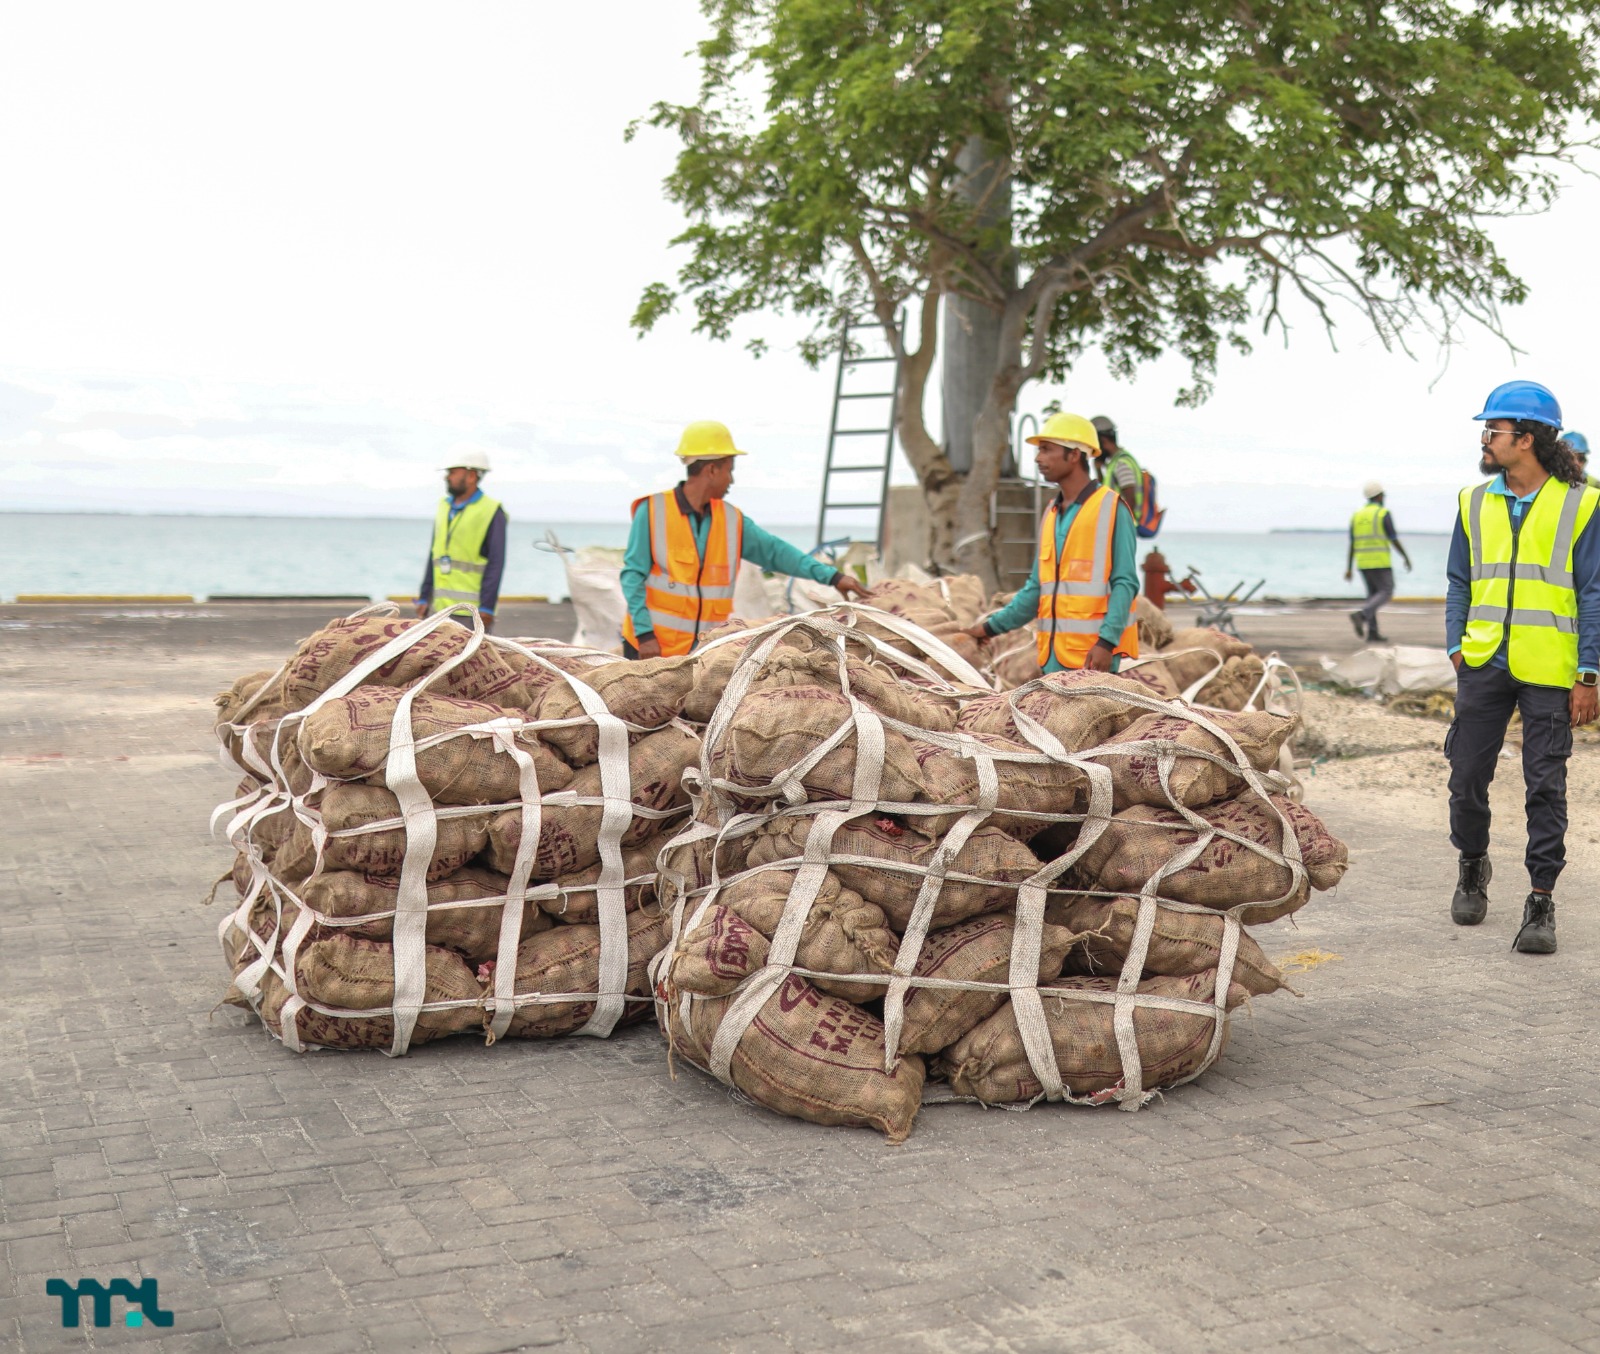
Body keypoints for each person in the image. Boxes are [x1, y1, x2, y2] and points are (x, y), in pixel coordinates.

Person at [1445, 380, 1600, 955]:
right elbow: (1459, 579)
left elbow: (1594, 592)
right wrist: (1454, 647)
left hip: (1550, 669)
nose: (1486, 440)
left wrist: (1588, 674)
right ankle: (1472, 864)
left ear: (1526, 439)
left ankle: (1541, 901)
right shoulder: (1472, 500)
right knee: (1465, 777)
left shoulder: (1583, 503)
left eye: (1494, 430)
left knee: (1545, 786)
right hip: (1482, 662)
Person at [621, 420, 872, 658]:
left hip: (702, 650)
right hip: (650, 647)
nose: (731, 480)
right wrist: (644, 635)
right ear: (711, 470)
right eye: (729, 471)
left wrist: (833, 576)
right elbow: (633, 576)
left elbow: (776, 552)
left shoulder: (731, 520)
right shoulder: (653, 511)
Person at [961, 412, 1138, 673]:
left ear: (1074, 454)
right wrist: (989, 628)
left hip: (1092, 661)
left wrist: (1106, 642)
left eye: (1046, 450)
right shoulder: (1051, 514)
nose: (1037, 458)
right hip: (1051, 662)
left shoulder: (1112, 508)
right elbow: (1036, 590)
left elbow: (1125, 583)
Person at [415, 445, 506, 631]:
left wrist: (487, 607)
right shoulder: (443, 506)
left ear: (472, 476)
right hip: (438, 610)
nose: (447, 477)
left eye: (453, 472)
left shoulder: (491, 511)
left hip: (470, 614)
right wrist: (424, 596)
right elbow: (434, 556)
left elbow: (496, 563)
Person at [1344, 481, 1413, 642]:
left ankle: (1372, 632)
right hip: (1380, 561)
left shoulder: (1357, 515)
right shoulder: (1382, 513)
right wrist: (1405, 557)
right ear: (1379, 496)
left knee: (1372, 595)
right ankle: (1361, 615)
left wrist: (1349, 568)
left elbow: (1353, 543)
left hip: (1362, 563)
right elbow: (1393, 538)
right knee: (1386, 591)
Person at [1091, 415, 1143, 518]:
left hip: (1121, 526)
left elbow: (1130, 500)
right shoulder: (1114, 463)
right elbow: (1103, 493)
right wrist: (1098, 470)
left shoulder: (1121, 463)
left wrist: (1121, 527)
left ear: (1102, 440)